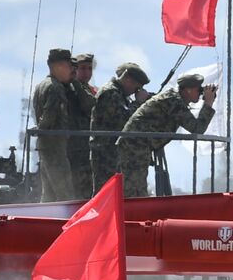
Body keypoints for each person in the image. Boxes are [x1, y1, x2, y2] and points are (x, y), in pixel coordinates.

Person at [117, 72, 216, 198]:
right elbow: (197, 128)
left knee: (136, 188)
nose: (201, 93)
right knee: (134, 190)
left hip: (138, 145)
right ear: (188, 90)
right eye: (199, 90)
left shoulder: (174, 98)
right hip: (135, 146)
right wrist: (208, 104)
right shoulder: (173, 101)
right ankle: (130, 215)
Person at [90, 61, 150, 192]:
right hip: (105, 153)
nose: (135, 92)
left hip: (112, 152)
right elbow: (123, 120)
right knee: (105, 193)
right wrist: (138, 103)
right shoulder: (111, 93)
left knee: (114, 193)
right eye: (136, 87)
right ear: (128, 79)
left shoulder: (120, 94)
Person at [32, 47, 77, 201]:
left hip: (46, 146)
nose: (71, 70)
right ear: (58, 66)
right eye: (68, 66)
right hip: (55, 146)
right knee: (65, 193)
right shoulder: (55, 87)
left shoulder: (41, 85)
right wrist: (43, 129)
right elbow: (49, 117)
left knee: (49, 194)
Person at [66, 53, 98, 198]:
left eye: (90, 68)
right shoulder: (71, 87)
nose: (87, 72)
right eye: (83, 68)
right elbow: (89, 106)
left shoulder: (90, 89)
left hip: (87, 146)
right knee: (77, 189)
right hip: (74, 147)